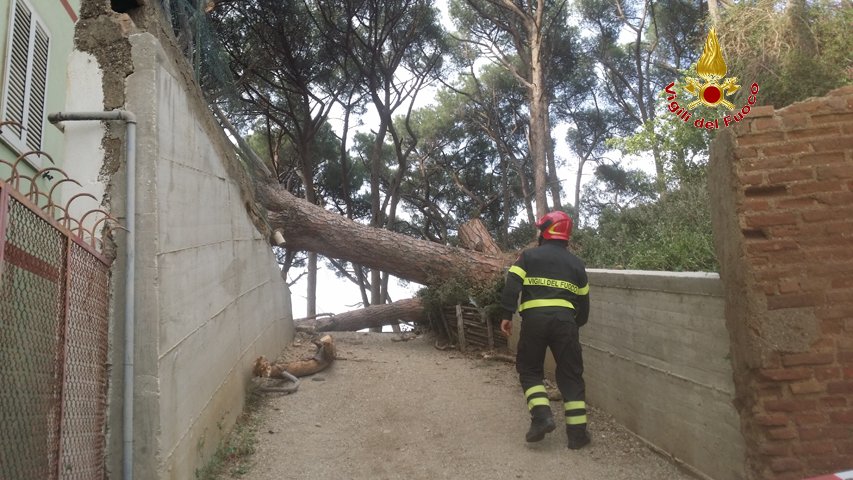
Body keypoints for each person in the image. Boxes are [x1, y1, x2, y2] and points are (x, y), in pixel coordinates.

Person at [499, 210, 591, 449]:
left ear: (546, 231)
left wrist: (506, 314)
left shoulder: (529, 257)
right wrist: (573, 326)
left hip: (535, 322)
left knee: (530, 370)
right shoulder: (577, 265)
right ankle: (577, 436)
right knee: (571, 375)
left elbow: (512, 284)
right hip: (566, 324)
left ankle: (542, 418)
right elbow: (584, 305)